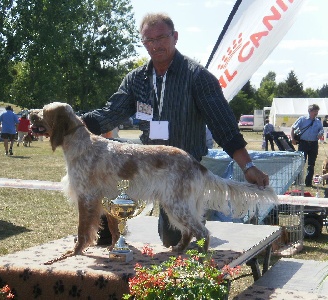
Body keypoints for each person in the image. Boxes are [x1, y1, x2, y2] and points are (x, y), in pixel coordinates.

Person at [82, 13, 269, 247]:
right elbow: (110, 114)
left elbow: (224, 126)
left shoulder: (198, 77)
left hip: (183, 167)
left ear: (175, 37)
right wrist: (71, 124)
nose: (155, 44)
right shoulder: (136, 80)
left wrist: (248, 166)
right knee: (116, 191)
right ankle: (119, 236)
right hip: (148, 165)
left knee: (173, 235)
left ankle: (196, 216)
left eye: (161, 37)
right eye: (149, 40)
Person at [291, 104, 324, 187]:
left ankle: (308, 182)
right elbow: (293, 128)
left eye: (317, 111)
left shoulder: (318, 121)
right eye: (314, 111)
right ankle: (297, 181)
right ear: (309, 111)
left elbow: (321, 130)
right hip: (303, 143)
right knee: (300, 162)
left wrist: (320, 134)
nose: (316, 113)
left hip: (314, 144)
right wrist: (292, 138)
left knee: (311, 164)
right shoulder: (302, 119)